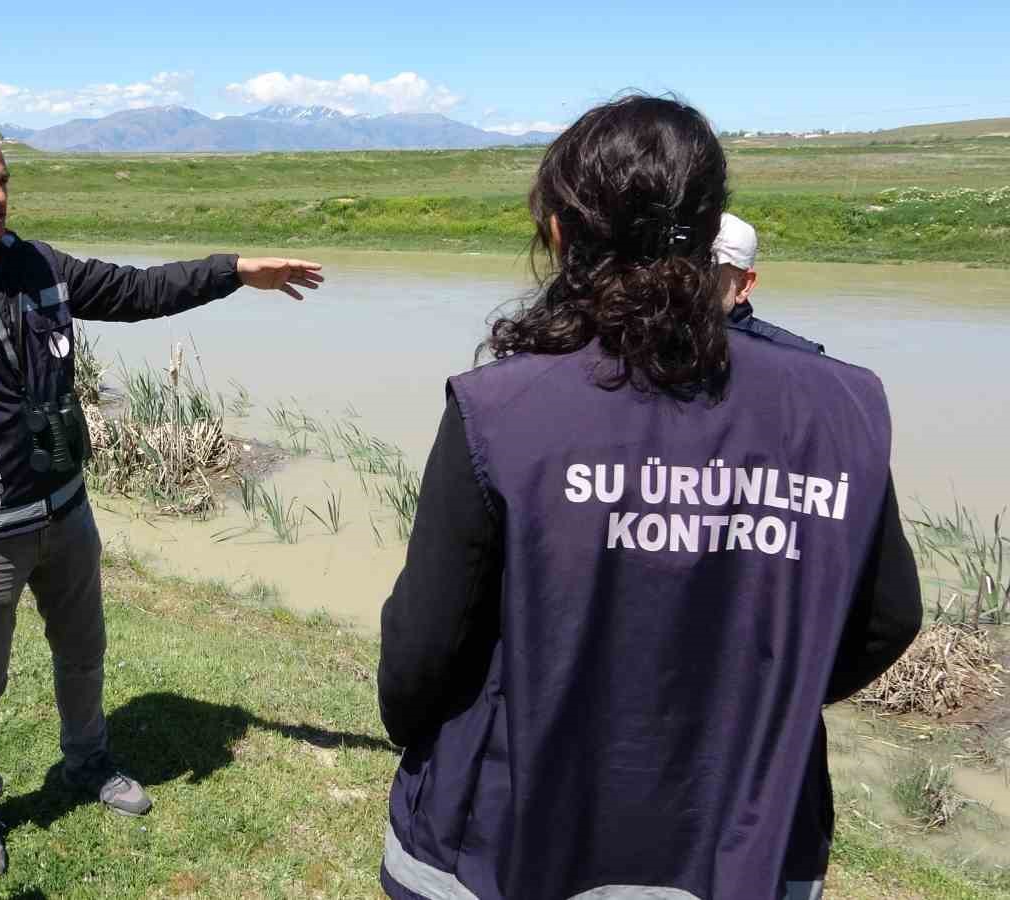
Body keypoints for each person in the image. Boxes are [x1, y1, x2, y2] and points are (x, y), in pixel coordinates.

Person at [376, 97, 920, 900]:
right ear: (711, 233)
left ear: (561, 234)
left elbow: (420, 661)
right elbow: (885, 621)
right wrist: (760, 692)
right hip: (747, 838)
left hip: (504, 837)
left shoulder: (502, 409)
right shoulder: (841, 406)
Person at [0, 121, 323, 879]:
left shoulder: (42, 267)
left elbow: (142, 291)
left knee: (83, 653)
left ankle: (88, 760)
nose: (0, 196)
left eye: (5, 179)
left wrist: (235, 270)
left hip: (67, 513)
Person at [716, 212, 824, 353]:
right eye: (680, 268)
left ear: (743, 286)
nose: (685, 283)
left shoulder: (799, 356)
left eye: (708, 271)